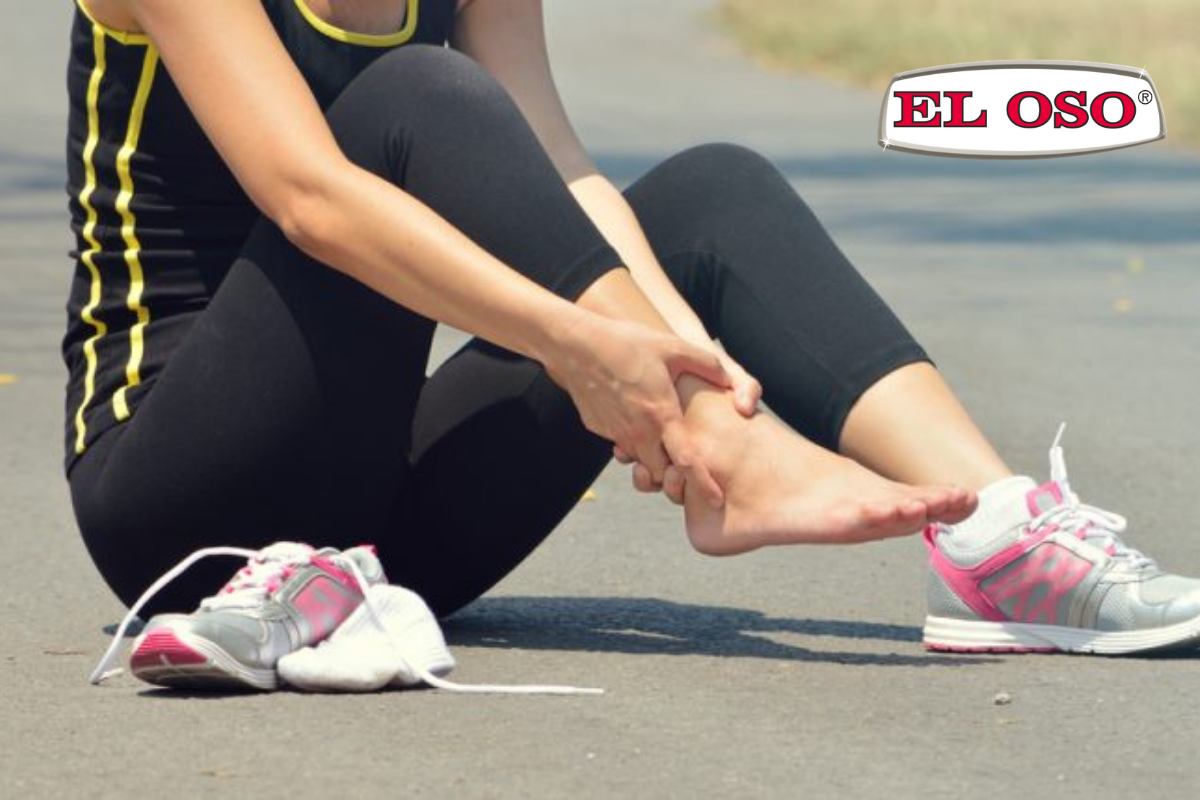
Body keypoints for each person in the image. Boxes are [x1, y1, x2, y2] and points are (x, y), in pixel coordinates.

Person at [67, 0, 1200, 690]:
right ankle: (735, 461)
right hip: (181, 502)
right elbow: (309, 196)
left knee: (709, 195)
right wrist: (583, 347)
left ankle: (994, 533)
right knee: (422, 94)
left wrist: (683, 359)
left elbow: (561, 172)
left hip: (366, 541)